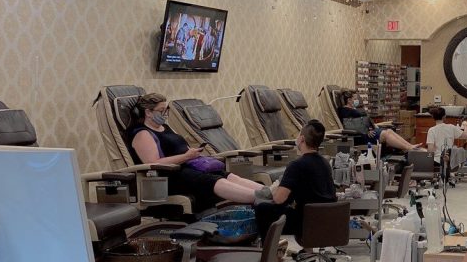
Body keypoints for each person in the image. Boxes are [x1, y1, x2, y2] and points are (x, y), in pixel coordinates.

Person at [128, 93, 270, 211]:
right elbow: (153, 163)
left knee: (227, 175)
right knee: (214, 180)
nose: (165, 114)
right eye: (161, 111)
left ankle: (270, 192)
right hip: (169, 177)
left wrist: (192, 154)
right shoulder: (142, 134)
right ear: (148, 112)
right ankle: (261, 199)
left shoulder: (165, 128)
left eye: (166, 110)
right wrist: (186, 156)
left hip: (188, 167)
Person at [265, 120, 337, 236]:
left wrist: (275, 188)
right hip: (327, 220)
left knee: (263, 209)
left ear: (302, 139)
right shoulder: (325, 163)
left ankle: (269, 247)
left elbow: (278, 199)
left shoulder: (296, 165)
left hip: (306, 222)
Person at [336, 90, 421, 153]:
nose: (356, 100)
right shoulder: (344, 110)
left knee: (389, 130)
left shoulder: (353, 109)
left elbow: (363, 120)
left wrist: (371, 126)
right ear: (349, 100)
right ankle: (408, 148)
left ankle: (409, 146)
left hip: (368, 131)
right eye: (355, 99)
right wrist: (367, 129)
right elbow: (350, 125)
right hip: (363, 135)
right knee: (386, 134)